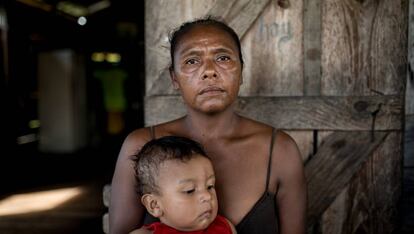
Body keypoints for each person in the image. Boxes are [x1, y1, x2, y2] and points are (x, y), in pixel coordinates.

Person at [109, 16, 307, 234]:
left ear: (241, 70)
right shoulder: (141, 145)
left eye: (223, 58)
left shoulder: (280, 150)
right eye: (192, 61)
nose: (209, 71)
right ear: (174, 78)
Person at [129, 136, 237, 234]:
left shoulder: (225, 227)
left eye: (210, 186)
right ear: (155, 205)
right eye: (190, 190)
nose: (208, 196)